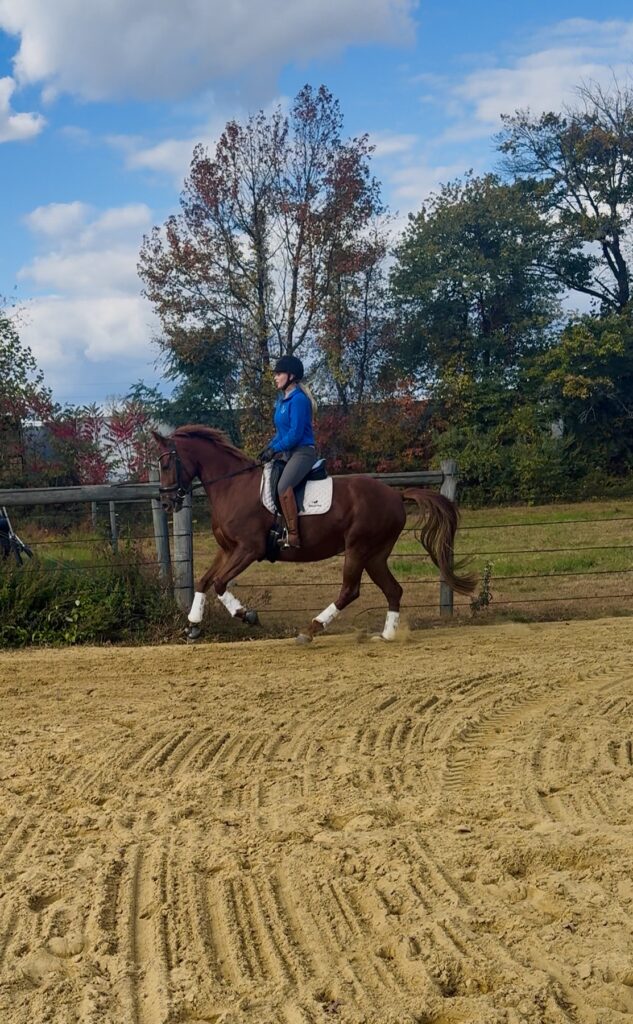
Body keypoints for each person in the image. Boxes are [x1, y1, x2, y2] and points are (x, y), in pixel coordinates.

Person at [258, 355, 317, 549]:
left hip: (303, 452)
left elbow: (295, 434)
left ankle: (293, 535)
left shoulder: (298, 400)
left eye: (279, 374)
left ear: (291, 376)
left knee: (283, 486)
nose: (275, 377)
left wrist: (275, 449)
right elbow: (281, 433)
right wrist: (268, 448)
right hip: (289, 453)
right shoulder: (282, 401)